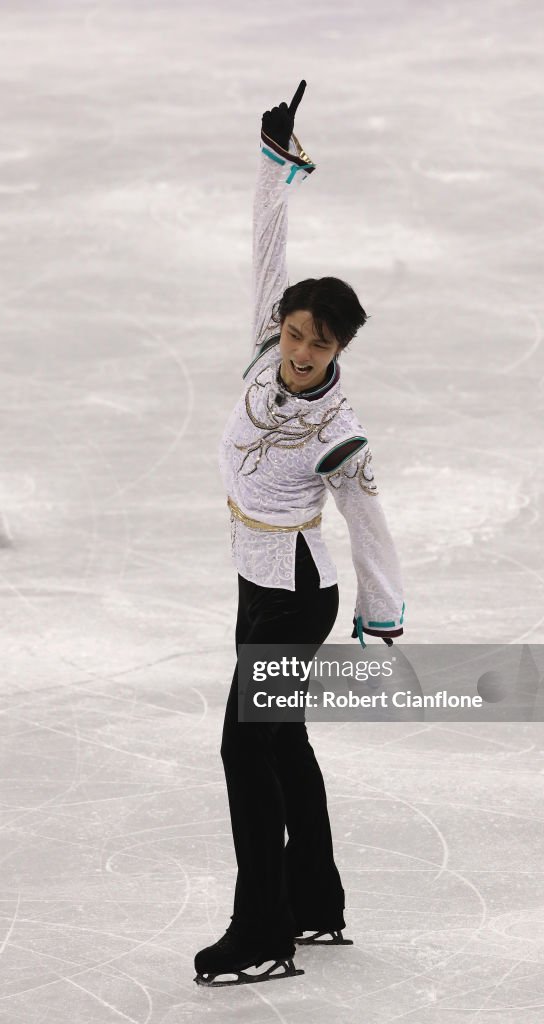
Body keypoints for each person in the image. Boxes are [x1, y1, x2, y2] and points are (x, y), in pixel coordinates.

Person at [193, 80, 406, 987]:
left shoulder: (339, 428)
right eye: (292, 334)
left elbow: (367, 515)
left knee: (246, 745)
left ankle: (264, 931)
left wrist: (383, 611)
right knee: (282, 741)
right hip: (256, 576)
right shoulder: (261, 342)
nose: (298, 351)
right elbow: (266, 247)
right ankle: (317, 905)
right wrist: (276, 163)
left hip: (297, 596)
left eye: (317, 343)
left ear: (341, 349)